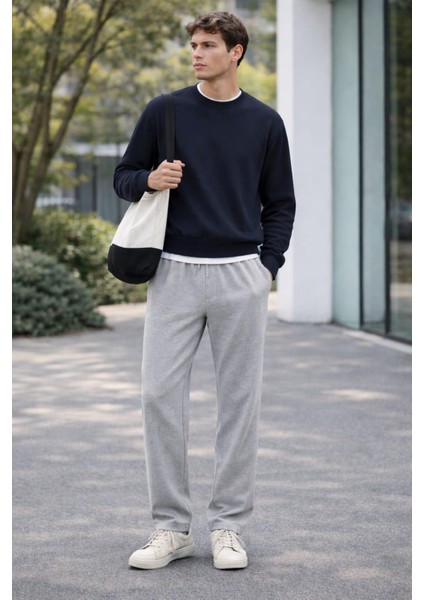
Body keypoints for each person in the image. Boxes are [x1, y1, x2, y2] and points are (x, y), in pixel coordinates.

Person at [113, 11, 295, 570]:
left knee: (239, 403)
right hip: (173, 272)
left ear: (235, 52)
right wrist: (149, 179)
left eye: (208, 44)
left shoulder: (265, 122)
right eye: (193, 44)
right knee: (157, 395)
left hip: (241, 274)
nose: (196, 52)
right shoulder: (165, 110)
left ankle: (228, 526)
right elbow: (124, 176)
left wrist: (267, 266)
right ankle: (171, 528)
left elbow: (280, 203)